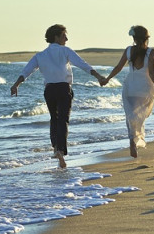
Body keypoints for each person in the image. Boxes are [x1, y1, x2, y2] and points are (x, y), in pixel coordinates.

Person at [10, 24, 106, 169]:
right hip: (63, 88)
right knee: (63, 119)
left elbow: (27, 70)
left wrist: (16, 84)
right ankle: (60, 150)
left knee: (54, 119)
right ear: (56, 37)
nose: (66, 39)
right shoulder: (65, 51)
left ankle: (55, 148)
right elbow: (82, 64)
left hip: (49, 90)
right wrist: (97, 76)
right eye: (63, 36)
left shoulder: (40, 55)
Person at [102, 25, 154, 157]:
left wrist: (107, 79)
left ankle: (131, 141)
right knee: (139, 117)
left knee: (130, 116)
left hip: (130, 87)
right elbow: (151, 73)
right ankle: (136, 140)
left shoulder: (129, 50)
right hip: (144, 88)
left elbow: (118, 67)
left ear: (134, 38)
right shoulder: (151, 52)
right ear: (146, 38)